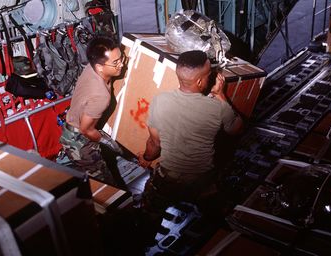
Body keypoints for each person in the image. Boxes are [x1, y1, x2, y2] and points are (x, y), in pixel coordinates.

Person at [137, 50, 243, 218]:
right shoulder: (217, 108)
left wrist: (146, 158)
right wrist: (220, 94)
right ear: (200, 81)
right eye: (210, 74)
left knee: (149, 209)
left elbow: (154, 144)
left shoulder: (160, 100)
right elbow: (236, 128)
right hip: (202, 181)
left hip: (168, 179)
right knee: (216, 216)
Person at [59, 35, 125, 185]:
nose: (121, 65)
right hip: (79, 141)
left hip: (74, 126)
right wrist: (111, 144)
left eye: (121, 58)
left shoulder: (92, 66)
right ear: (100, 66)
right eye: (116, 62)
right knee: (105, 186)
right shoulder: (101, 95)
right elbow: (86, 130)